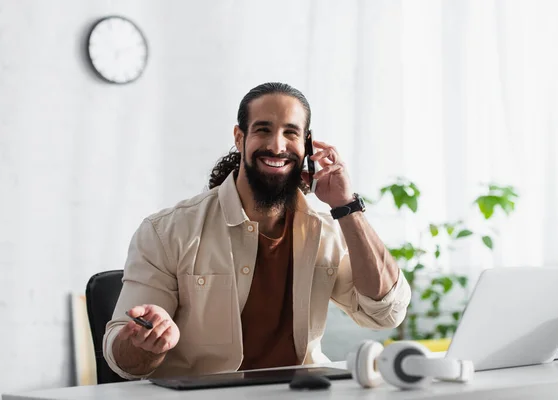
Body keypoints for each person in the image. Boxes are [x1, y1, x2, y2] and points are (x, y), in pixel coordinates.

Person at [103, 82, 411, 380]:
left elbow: (384, 312)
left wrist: (346, 205)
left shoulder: (327, 230)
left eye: (290, 133)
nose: (277, 145)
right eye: (263, 129)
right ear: (240, 138)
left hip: (303, 392)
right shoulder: (167, 232)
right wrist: (148, 343)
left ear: (307, 144)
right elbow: (124, 363)